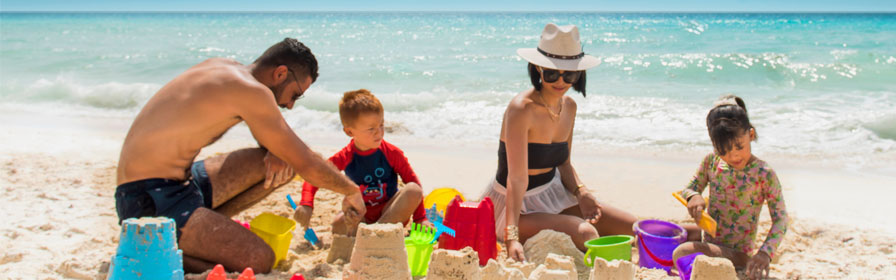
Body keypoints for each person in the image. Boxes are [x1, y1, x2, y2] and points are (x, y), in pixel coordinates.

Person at [115, 38, 366, 273]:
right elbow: (307, 162)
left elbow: (280, 144)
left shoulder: (224, 68)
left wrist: (273, 150)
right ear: (280, 73)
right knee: (260, 259)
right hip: (148, 200)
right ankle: (150, 250)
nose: (291, 105)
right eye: (295, 94)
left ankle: (199, 231)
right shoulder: (253, 92)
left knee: (282, 161)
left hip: (175, 183)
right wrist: (351, 191)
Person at [481, 23, 638, 262]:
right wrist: (511, 236)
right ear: (537, 68)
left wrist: (581, 192)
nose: (561, 81)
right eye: (552, 72)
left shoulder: (569, 107)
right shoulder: (521, 109)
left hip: (552, 194)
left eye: (570, 74)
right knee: (587, 233)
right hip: (514, 208)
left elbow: (563, 163)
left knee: (635, 227)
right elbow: (516, 179)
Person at [672, 95, 789, 280]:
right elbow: (689, 188)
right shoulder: (712, 162)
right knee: (672, 231)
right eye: (723, 151)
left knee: (682, 251)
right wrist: (693, 196)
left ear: (750, 135)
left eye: (739, 146)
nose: (733, 156)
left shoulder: (763, 173)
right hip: (710, 241)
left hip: (737, 254)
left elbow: (781, 220)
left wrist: (765, 253)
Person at [293, 89, 427, 236]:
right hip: (360, 216)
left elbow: (412, 180)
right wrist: (306, 203)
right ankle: (373, 236)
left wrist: (421, 218)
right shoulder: (346, 156)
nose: (379, 132)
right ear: (350, 132)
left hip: (389, 214)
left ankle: (375, 235)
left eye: (381, 125)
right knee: (338, 223)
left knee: (413, 190)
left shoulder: (392, 153)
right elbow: (316, 175)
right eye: (371, 129)